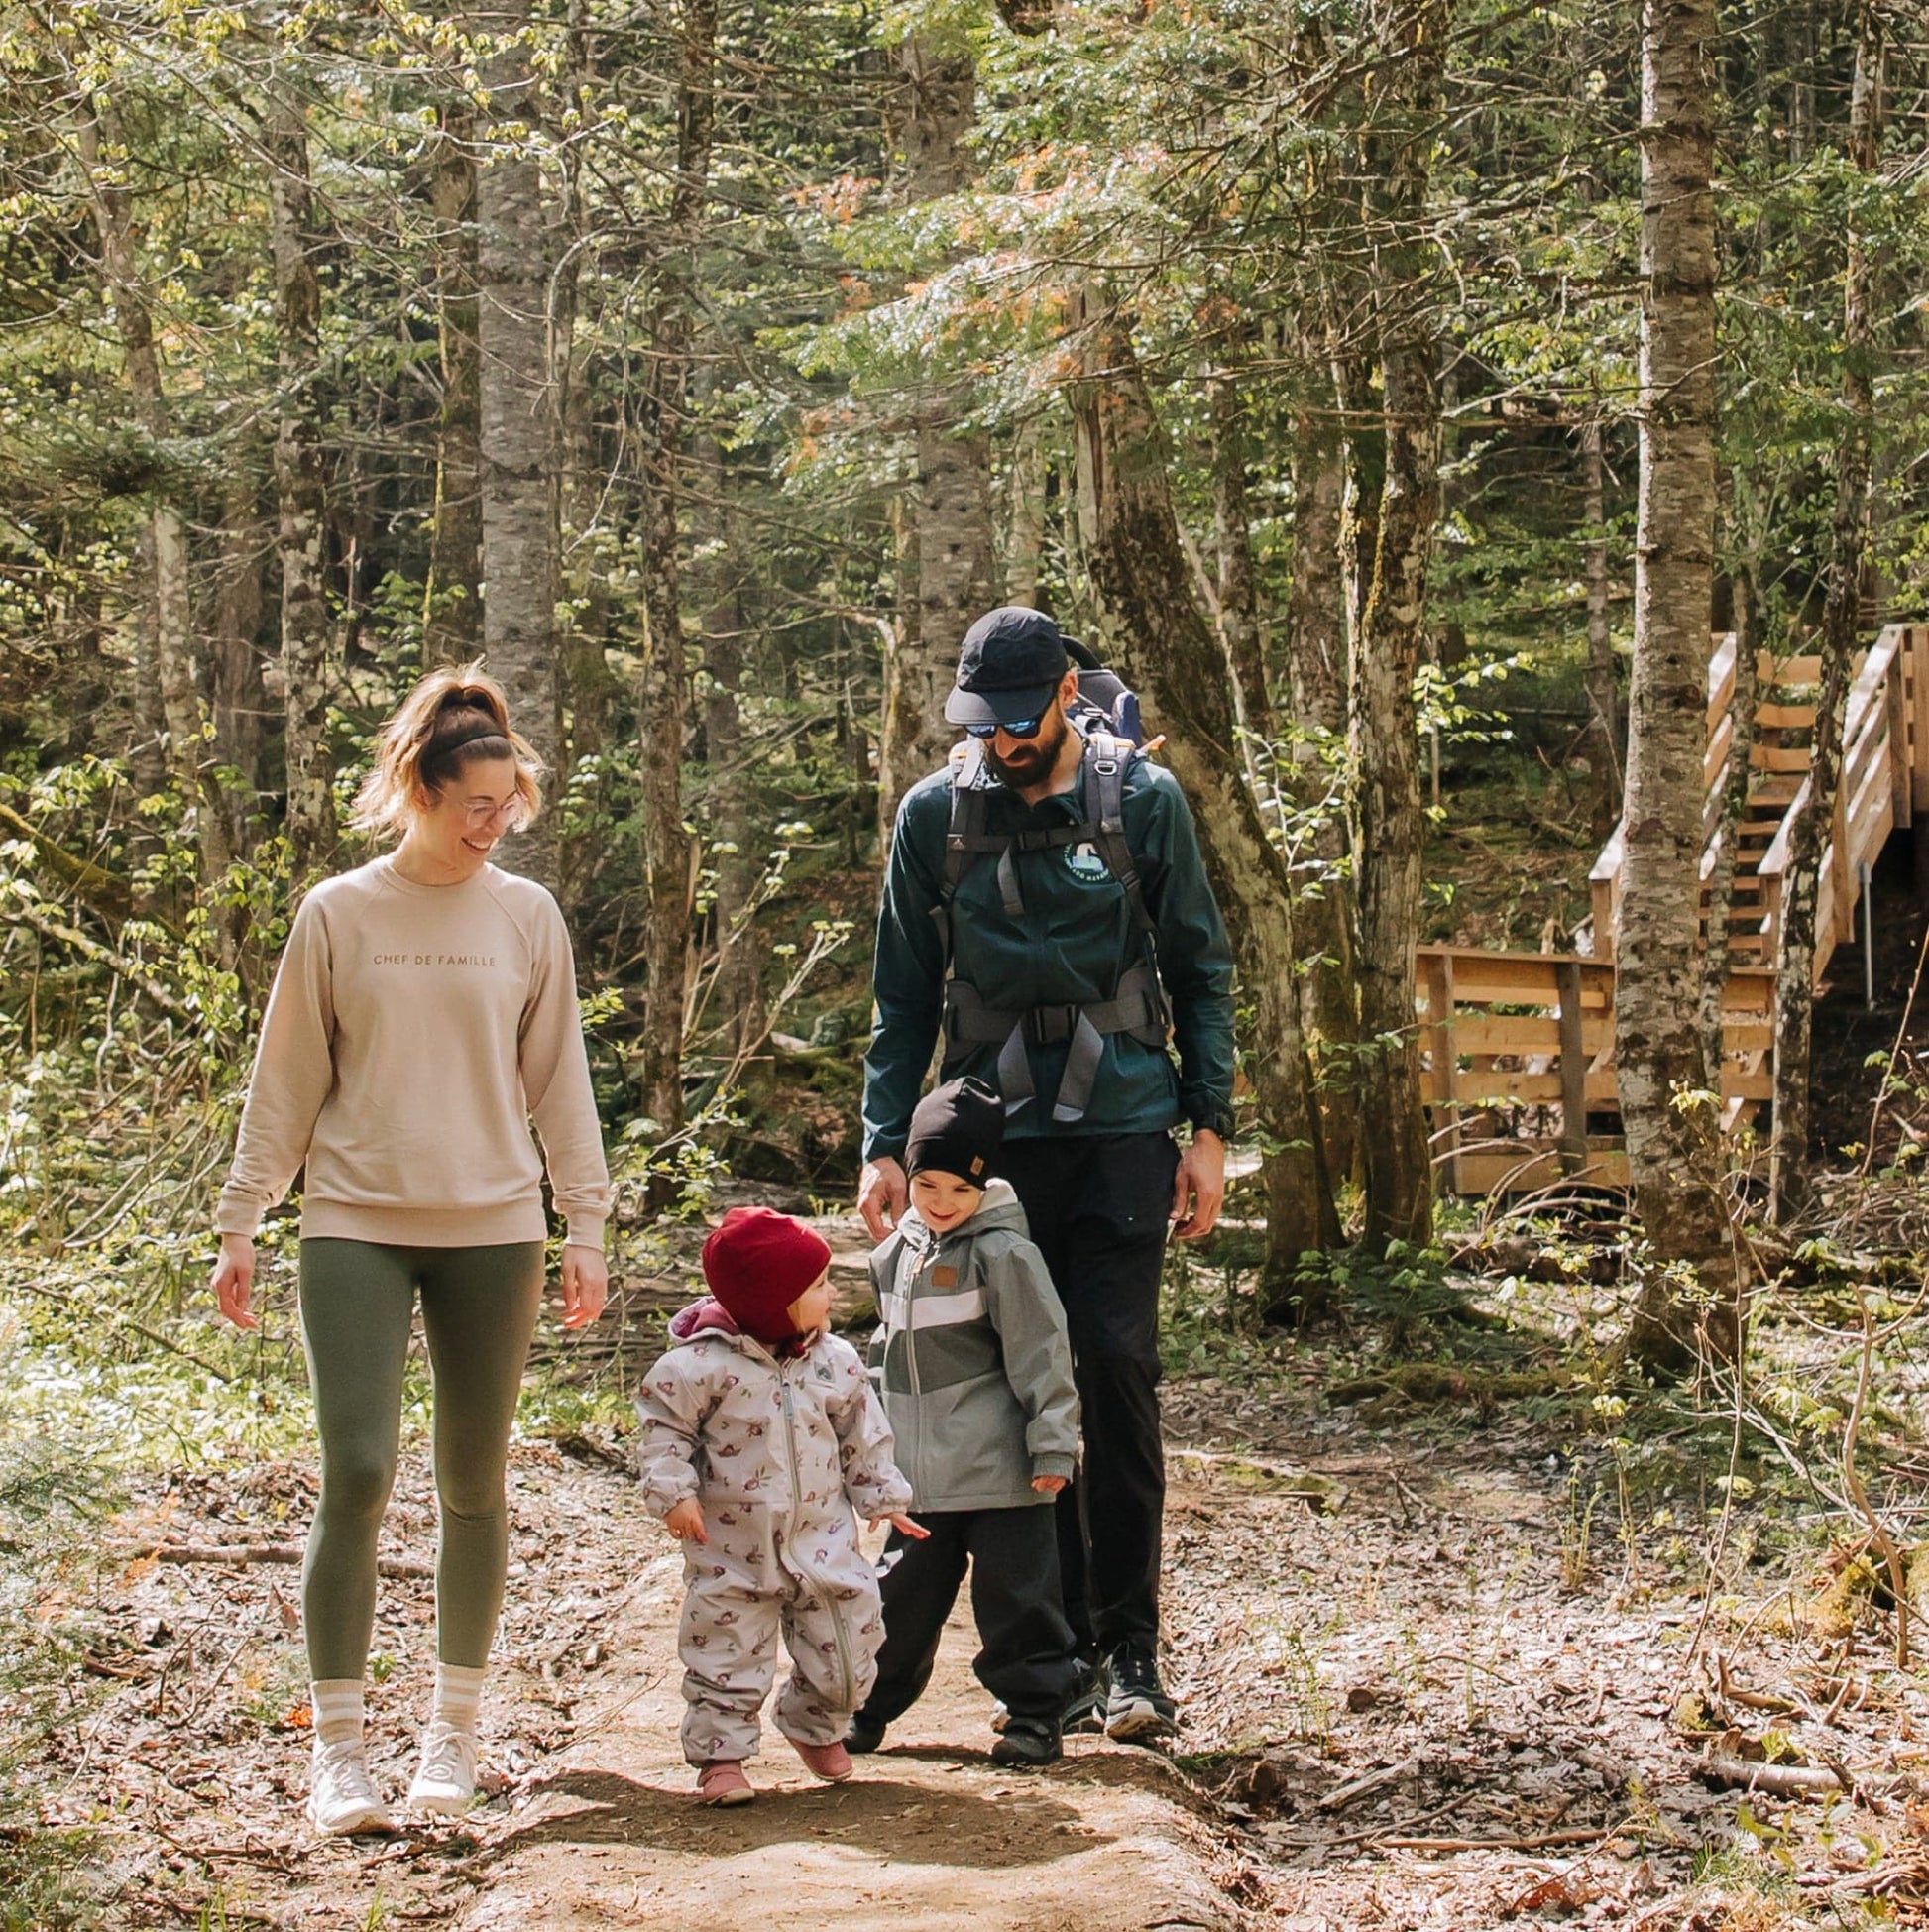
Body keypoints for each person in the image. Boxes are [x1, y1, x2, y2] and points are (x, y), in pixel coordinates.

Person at [209, 664, 612, 1835]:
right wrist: (242, 1216)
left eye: (510, 804)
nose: (497, 824)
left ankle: (452, 1732)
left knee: (473, 1482)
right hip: (354, 1221)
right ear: (421, 791)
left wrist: (584, 1222)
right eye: (478, 804)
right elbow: (286, 1079)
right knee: (358, 1469)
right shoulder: (340, 912)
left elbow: (561, 1081)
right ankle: (337, 1751)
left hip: (494, 1227)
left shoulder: (525, 917)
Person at [859, 606, 1235, 1742]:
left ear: (1067, 695)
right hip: (987, 1145)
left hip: (1122, 1124)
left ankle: (1130, 1651)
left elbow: (1198, 963)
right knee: (1012, 1385)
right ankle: (1052, 1653)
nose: (1004, 740)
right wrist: (884, 1141)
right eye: (985, 722)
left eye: (1021, 718)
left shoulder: (1140, 800)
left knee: (1110, 1368)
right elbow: (902, 990)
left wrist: (1209, 1127)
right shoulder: (935, 814)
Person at [636, 1206, 921, 1806]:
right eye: (817, 1285)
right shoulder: (696, 1368)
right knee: (725, 1651)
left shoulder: (835, 1361)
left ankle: (813, 1722)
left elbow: (863, 1434)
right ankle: (721, 1759)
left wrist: (883, 1495)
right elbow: (664, 1435)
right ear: (770, 1301)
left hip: (823, 1540)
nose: (832, 1293)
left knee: (851, 1642)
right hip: (731, 1547)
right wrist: (675, 1495)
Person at [847, 1076, 1081, 1767]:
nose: (942, 1202)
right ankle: (865, 1706)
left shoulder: (1005, 1254)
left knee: (1019, 1601)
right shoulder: (895, 1256)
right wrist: (868, 1452)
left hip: (1004, 1471)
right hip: (920, 1476)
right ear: (909, 1176)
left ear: (984, 1185)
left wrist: (1053, 1445)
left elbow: (1044, 1353)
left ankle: (1034, 1715)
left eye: (960, 1189)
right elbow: (884, 1357)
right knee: (899, 1596)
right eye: (928, 1185)